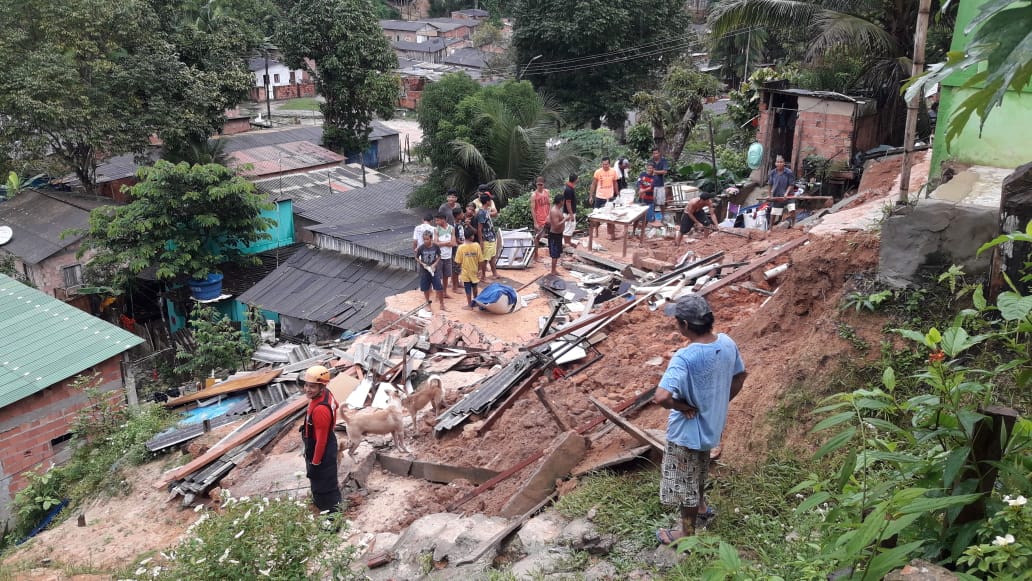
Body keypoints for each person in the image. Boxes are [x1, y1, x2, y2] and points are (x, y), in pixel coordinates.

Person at [653, 296, 747, 545]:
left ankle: (686, 534)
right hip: (711, 426)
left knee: (685, 487)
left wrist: (681, 406)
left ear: (684, 324)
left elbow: (661, 396)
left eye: (676, 320)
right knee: (700, 469)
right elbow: (740, 376)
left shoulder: (685, 357)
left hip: (686, 432)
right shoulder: (726, 343)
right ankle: (703, 508)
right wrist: (719, 402)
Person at [300, 365, 342, 515]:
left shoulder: (320, 410)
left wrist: (315, 463)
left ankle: (332, 518)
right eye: (306, 385)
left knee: (323, 486)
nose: (307, 389)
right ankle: (328, 506)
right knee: (326, 482)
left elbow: (321, 440)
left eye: (312, 386)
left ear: (321, 386)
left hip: (321, 450)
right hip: (324, 442)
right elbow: (336, 406)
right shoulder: (326, 395)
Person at [589, 157, 620, 239]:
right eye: (603, 164)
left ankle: (612, 235)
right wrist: (591, 196)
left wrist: (618, 194)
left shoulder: (613, 171)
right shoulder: (598, 172)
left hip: (609, 197)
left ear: (609, 164)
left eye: (606, 164)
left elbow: (615, 183)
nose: (604, 165)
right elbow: (593, 184)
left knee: (611, 217)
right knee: (596, 216)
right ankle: (596, 232)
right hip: (599, 196)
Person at [454, 225, 483, 309]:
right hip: (475, 270)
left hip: (465, 272)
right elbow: (481, 259)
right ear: (471, 237)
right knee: (475, 287)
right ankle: (476, 301)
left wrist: (458, 270)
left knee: (467, 288)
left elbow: (458, 262)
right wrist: (480, 269)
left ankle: (469, 305)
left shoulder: (460, 247)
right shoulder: (477, 245)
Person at [416, 230, 446, 310]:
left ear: (431, 239)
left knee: (439, 287)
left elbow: (439, 256)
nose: (425, 241)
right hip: (424, 271)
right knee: (426, 288)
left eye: (427, 239)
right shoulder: (421, 247)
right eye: (424, 239)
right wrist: (422, 264)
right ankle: (427, 303)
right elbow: (416, 257)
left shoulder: (435, 246)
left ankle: (442, 304)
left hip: (434, 270)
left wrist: (434, 264)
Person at [475, 193, 499, 280]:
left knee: (492, 256)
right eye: (490, 200)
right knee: (485, 258)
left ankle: (494, 273)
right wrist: (481, 241)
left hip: (491, 237)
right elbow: (479, 228)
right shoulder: (482, 213)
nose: (491, 202)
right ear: (487, 202)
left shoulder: (486, 211)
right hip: (486, 239)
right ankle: (483, 276)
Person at [766, 155, 795, 228]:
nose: (779, 163)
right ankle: (770, 228)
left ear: (784, 163)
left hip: (789, 196)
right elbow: (769, 184)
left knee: (792, 210)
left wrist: (786, 193)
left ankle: (793, 225)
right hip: (777, 195)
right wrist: (769, 195)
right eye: (778, 162)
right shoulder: (772, 173)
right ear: (775, 163)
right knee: (774, 213)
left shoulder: (789, 172)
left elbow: (791, 184)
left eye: (781, 162)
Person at [433, 213, 456, 299]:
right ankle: (437, 294)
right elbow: (435, 243)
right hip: (439, 257)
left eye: (437, 220)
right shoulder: (436, 229)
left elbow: (453, 243)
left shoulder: (451, 228)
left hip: (448, 257)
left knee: (446, 276)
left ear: (443, 219)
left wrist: (441, 243)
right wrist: (447, 243)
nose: (436, 222)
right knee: (438, 276)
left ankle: (445, 292)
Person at [530, 177, 551, 263]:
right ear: (536, 184)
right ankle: (536, 255)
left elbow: (550, 204)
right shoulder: (534, 195)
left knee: (551, 235)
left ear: (544, 184)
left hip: (547, 218)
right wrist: (535, 222)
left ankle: (551, 253)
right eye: (538, 184)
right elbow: (532, 209)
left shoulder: (547, 192)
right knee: (537, 238)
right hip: (539, 219)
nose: (540, 186)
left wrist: (549, 215)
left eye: (541, 185)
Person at [547, 193, 566, 276]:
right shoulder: (554, 210)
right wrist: (565, 219)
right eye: (563, 201)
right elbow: (556, 225)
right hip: (554, 235)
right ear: (561, 201)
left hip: (558, 234)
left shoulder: (558, 209)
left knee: (557, 253)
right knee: (554, 254)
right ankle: (553, 271)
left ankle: (554, 269)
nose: (564, 202)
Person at [637, 162, 659, 227]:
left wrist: (642, 191)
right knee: (639, 216)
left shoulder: (655, 178)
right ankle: (637, 230)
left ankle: (644, 228)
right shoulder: (642, 174)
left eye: (651, 168)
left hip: (650, 199)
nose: (649, 169)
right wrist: (640, 189)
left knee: (649, 217)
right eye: (648, 168)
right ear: (647, 168)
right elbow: (638, 182)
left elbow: (651, 187)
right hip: (641, 198)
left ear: (653, 169)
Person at [651, 148, 670, 213]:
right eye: (653, 153)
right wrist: (659, 172)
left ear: (659, 153)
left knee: (661, 203)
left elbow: (665, 171)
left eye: (656, 153)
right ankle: (651, 217)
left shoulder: (663, 161)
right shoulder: (650, 161)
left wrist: (655, 171)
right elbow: (649, 171)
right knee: (652, 202)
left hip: (660, 184)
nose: (655, 155)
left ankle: (663, 217)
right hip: (651, 185)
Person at [562, 174, 579, 246]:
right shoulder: (568, 189)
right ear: (575, 180)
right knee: (568, 227)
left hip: (571, 211)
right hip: (569, 212)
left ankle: (569, 241)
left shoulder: (570, 187)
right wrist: (571, 214)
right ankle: (566, 243)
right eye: (577, 179)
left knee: (571, 227)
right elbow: (568, 202)